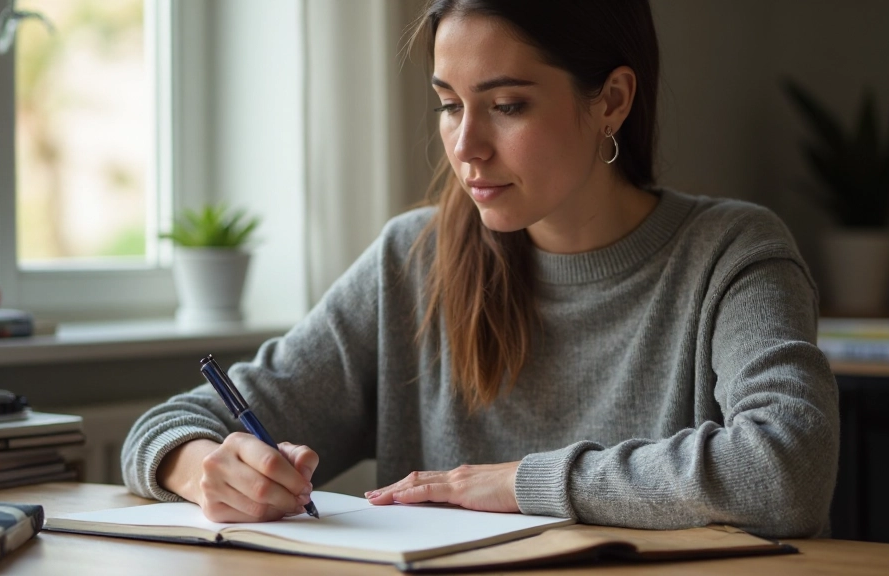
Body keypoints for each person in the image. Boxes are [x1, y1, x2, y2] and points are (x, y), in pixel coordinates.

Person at [122, 0, 839, 538]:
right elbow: (172, 424)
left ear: (612, 100)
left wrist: (519, 484)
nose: (465, 146)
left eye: (506, 105)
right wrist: (201, 470)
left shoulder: (731, 253)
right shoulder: (414, 259)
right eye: (447, 105)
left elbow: (784, 471)